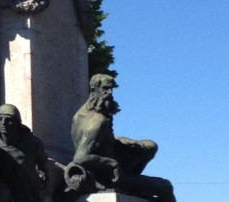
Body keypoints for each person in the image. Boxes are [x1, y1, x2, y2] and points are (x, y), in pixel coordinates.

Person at [69, 74, 175, 202]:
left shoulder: (81, 114)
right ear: (93, 89)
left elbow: (97, 143)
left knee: (150, 145)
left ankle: (132, 177)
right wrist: (112, 163)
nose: (109, 93)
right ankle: (130, 180)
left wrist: (121, 142)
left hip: (104, 168)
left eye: (112, 89)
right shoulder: (98, 121)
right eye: (105, 88)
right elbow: (80, 158)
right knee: (165, 186)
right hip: (110, 176)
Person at [0, 104, 50, 202]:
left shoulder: (33, 144)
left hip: (27, 193)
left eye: (8, 120)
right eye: (0, 119)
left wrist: (43, 175)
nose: (3, 123)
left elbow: (44, 166)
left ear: (17, 123)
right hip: (3, 193)